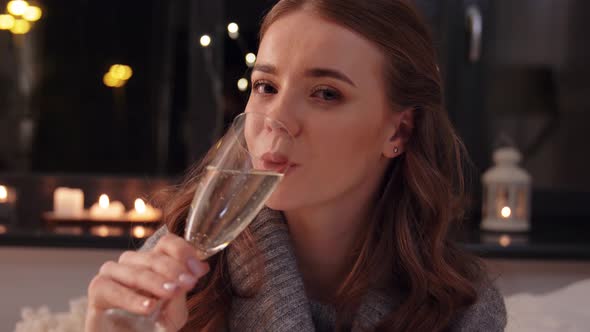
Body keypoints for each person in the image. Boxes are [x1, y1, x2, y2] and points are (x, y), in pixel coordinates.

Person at [86, 0, 507, 331]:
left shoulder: (460, 309)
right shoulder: (176, 271)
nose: (277, 119)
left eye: (325, 93)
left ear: (397, 133)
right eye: (266, 86)